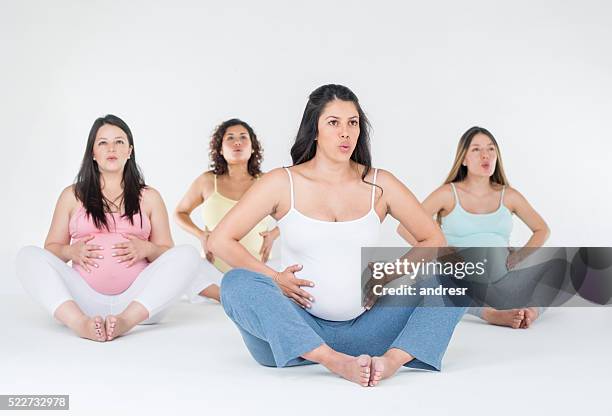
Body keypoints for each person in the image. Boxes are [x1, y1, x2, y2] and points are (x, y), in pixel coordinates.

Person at [208, 84, 466, 387]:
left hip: (368, 331)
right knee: (235, 282)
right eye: (334, 123)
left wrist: (390, 273)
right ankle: (331, 360)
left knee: (460, 270)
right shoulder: (282, 182)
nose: (346, 132)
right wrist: (274, 277)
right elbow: (220, 240)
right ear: (314, 129)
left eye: (352, 123)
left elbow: (433, 239)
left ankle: (392, 361)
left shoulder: (380, 183)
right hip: (292, 334)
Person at [16, 115, 200, 342]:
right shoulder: (72, 195)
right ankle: (79, 323)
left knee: (189, 254)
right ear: (92, 152)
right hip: (83, 301)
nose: (111, 148)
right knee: (27, 256)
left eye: (119, 142)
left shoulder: (150, 197)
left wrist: (147, 249)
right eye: (103, 142)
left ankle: (125, 322)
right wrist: (69, 252)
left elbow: (168, 255)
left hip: (139, 302)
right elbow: (50, 250)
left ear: (130, 150)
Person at [398, 126, 550, 328]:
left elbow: (542, 229)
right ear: (463, 159)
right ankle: (489, 314)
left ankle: (529, 313)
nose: (485, 155)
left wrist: (519, 256)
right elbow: (404, 227)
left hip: (502, 279)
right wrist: (441, 252)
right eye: (476, 150)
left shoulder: (509, 195)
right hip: (461, 278)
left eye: (491, 149)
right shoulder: (447, 193)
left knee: (555, 272)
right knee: (437, 281)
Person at [175, 119, 279, 302]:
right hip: (214, 273)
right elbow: (179, 213)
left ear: (253, 147)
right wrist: (201, 235)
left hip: (257, 271)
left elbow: (295, 214)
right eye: (230, 138)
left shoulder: (266, 182)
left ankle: (242, 294)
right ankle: (228, 296)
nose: (237, 142)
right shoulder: (207, 181)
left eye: (243, 137)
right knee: (182, 264)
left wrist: (274, 234)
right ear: (220, 149)